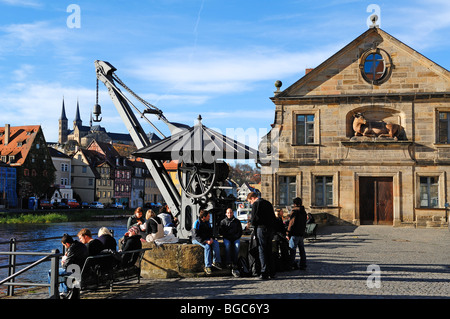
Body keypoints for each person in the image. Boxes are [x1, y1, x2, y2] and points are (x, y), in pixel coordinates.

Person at [247, 192, 277, 279]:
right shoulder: (268, 203)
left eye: (250, 201)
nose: (250, 203)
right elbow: (273, 218)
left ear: (253, 198)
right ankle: (272, 272)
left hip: (261, 228)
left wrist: (251, 224)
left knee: (262, 250)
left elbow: (253, 219)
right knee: (269, 250)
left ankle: (264, 272)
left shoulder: (256, 204)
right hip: (270, 229)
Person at [48, 233, 87, 298]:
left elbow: (66, 266)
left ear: (67, 244)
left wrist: (63, 261)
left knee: (51, 272)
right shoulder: (81, 245)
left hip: (75, 270)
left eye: (64, 245)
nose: (65, 247)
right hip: (83, 269)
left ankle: (52, 294)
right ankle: (63, 291)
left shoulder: (72, 249)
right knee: (61, 272)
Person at [191, 209, 222, 275]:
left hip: (206, 238)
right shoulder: (196, 223)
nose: (209, 217)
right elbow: (196, 236)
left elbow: (210, 232)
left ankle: (216, 262)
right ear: (204, 217)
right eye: (208, 216)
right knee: (207, 247)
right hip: (196, 239)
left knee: (216, 243)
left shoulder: (207, 223)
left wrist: (211, 238)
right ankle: (207, 266)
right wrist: (205, 241)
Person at [219, 208, 242, 277]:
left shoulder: (237, 221)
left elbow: (240, 232)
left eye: (231, 212)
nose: (229, 214)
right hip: (227, 238)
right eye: (228, 213)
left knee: (237, 245)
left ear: (233, 213)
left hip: (235, 238)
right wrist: (228, 237)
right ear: (226, 214)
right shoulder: (223, 222)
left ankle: (235, 262)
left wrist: (235, 237)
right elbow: (221, 232)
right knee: (227, 245)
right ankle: (228, 262)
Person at [286, 197, 307, 270]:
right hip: (301, 233)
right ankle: (303, 264)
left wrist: (288, 233)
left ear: (294, 204)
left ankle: (290, 265)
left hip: (294, 233)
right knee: (302, 250)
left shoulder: (294, 211)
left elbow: (291, 223)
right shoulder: (303, 211)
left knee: (292, 250)